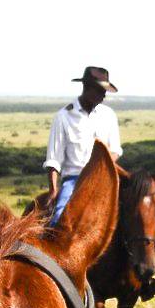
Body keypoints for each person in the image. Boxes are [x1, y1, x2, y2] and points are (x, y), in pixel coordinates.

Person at [43, 66, 123, 226]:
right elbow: (54, 159)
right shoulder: (63, 116)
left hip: (104, 178)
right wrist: (53, 191)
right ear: (87, 88)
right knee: (59, 218)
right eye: (100, 91)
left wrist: (100, 165)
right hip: (74, 180)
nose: (104, 95)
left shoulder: (109, 115)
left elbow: (115, 150)